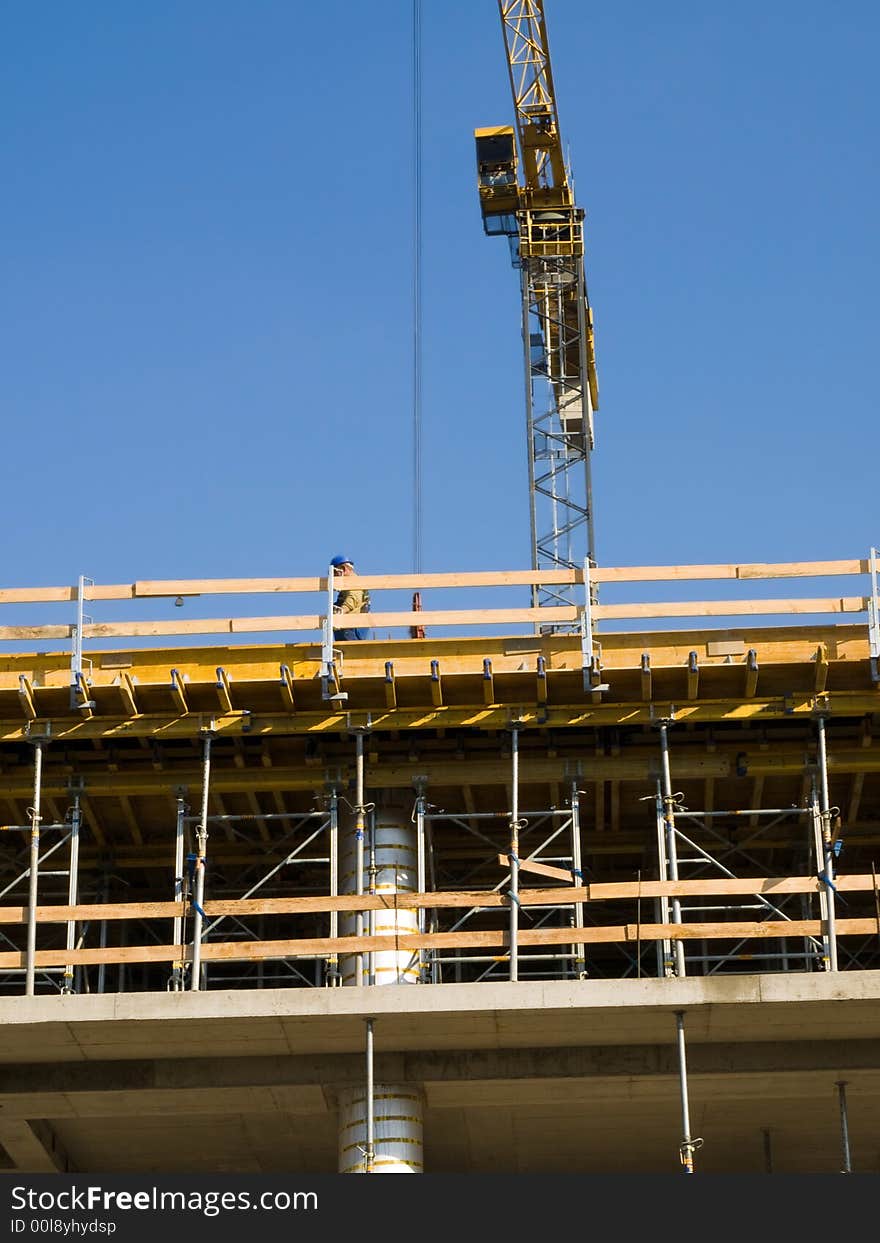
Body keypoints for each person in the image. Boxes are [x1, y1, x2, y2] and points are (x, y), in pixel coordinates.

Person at [330, 555, 371, 640]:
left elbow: (353, 600)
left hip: (352, 628)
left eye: (334, 573)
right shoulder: (346, 585)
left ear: (343, 569)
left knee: (351, 651)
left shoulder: (354, 582)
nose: (334, 577)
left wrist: (341, 611)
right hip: (347, 627)